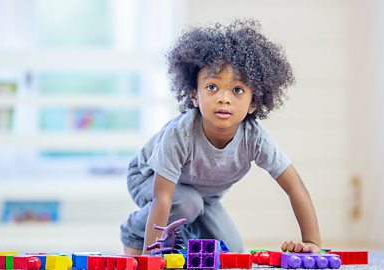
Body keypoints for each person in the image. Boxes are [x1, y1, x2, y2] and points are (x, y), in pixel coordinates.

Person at [120, 19, 321, 255]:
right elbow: (163, 197)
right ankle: (135, 230)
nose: (223, 98)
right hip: (150, 177)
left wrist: (312, 242)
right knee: (186, 204)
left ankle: (181, 233)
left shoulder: (254, 138)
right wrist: (150, 254)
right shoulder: (180, 134)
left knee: (232, 254)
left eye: (237, 90)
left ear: (253, 103)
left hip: (205, 196)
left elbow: (295, 187)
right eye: (212, 87)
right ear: (194, 96)